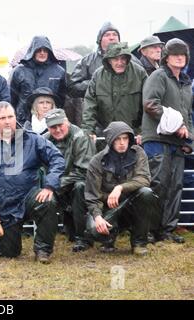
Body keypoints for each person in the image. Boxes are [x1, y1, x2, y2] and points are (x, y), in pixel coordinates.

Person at [0, 101, 65, 263]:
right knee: (9, 253)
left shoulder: (33, 139)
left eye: (10, 117)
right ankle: (0, 238)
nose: (7, 121)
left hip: (28, 198)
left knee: (48, 201)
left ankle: (43, 250)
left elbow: (57, 159)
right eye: (2, 118)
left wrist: (49, 185)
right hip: (2, 206)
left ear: (15, 118)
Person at [141, 38, 193, 243]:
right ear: (166, 57)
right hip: (157, 138)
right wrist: (177, 124)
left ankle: (167, 230)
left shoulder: (186, 82)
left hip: (178, 142)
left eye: (183, 54)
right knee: (157, 184)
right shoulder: (158, 76)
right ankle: (149, 231)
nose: (179, 57)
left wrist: (189, 140)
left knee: (175, 186)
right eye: (175, 54)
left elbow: (188, 114)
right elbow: (150, 105)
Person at [84, 121, 158, 255]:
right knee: (94, 229)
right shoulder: (97, 161)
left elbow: (144, 179)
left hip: (132, 204)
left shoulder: (138, 153)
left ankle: (139, 243)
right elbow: (92, 196)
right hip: (107, 207)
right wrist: (97, 217)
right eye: (117, 139)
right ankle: (108, 239)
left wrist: (120, 188)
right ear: (110, 141)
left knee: (146, 193)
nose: (122, 142)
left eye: (125, 138)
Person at [43, 109, 96, 252]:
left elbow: (83, 171)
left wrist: (54, 185)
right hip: (58, 186)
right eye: (53, 127)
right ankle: (44, 239)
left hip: (79, 185)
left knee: (80, 186)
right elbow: (40, 167)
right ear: (48, 128)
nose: (58, 129)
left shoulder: (80, 136)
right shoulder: (44, 140)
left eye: (60, 125)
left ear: (67, 122)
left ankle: (83, 238)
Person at [82, 42, 147, 146]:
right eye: (115, 59)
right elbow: (89, 105)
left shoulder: (139, 73)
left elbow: (148, 104)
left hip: (133, 135)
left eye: (123, 59)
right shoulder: (98, 75)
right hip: (105, 134)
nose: (119, 63)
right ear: (108, 60)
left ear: (127, 59)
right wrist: (89, 131)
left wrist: (144, 130)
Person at [68, 21, 140, 99]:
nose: (112, 37)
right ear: (100, 39)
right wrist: (97, 83)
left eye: (115, 34)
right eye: (107, 35)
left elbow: (143, 83)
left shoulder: (132, 59)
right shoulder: (87, 61)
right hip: (97, 108)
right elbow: (73, 88)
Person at [10, 35, 66, 125]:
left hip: (50, 121)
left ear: (49, 51)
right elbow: (11, 98)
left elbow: (61, 99)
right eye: (39, 50)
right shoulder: (19, 71)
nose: (42, 53)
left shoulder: (59, 72)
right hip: (22, 121)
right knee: (20, 139)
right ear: (33, 51)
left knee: (48, 139)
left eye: (45, 50)